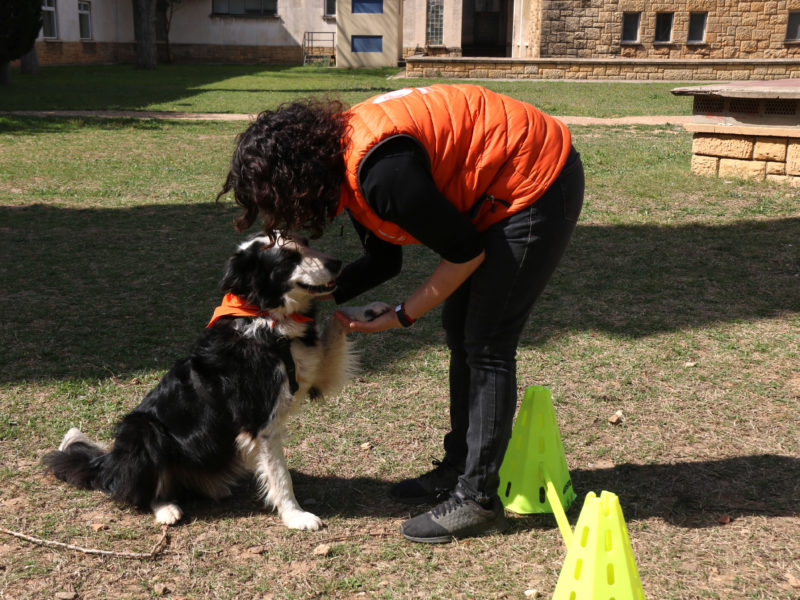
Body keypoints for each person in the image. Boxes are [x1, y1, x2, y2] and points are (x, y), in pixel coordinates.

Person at [218, 84, 584, 544]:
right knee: (461, 330)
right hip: (499, 176)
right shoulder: (345, 165)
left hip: (536, 178)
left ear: (295, 180)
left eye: (277, 201)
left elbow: (465, 251)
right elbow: (383, 258)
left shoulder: (380, 174)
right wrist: (314, 296)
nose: (283, 218)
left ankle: (477, 499)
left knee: (487, 342)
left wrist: (401, 315)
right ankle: (459, 469)